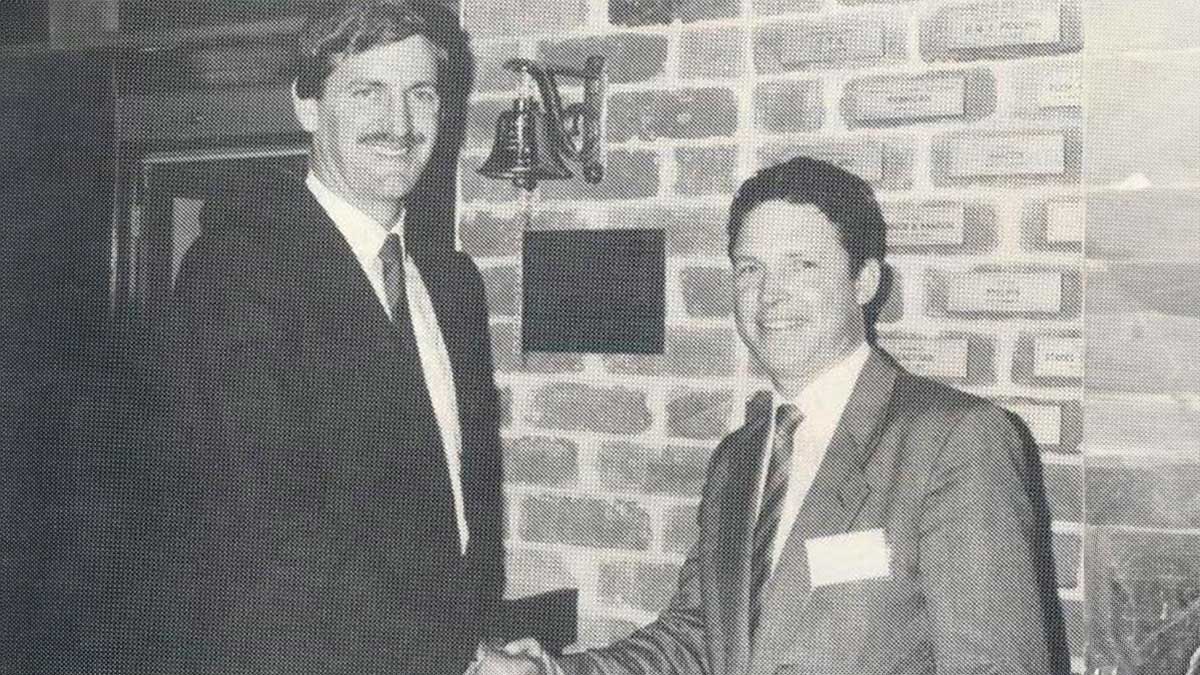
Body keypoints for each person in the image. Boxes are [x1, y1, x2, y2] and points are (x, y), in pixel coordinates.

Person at [475, 157, 1068, 675]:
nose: (769, 294)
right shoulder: (740, 458)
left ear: (865, 282)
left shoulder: (957, 443)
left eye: (801, 266)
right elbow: (697, 640)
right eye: (750, 268)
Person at [149, 2, 504, 673]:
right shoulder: (239, 269)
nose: (399, 124)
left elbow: (462, 511)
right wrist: (460, 655)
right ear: (307, 106)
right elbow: (273, 523)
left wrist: (472, 640)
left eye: (420, 94)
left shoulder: (451, 284)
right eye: (366, 91)